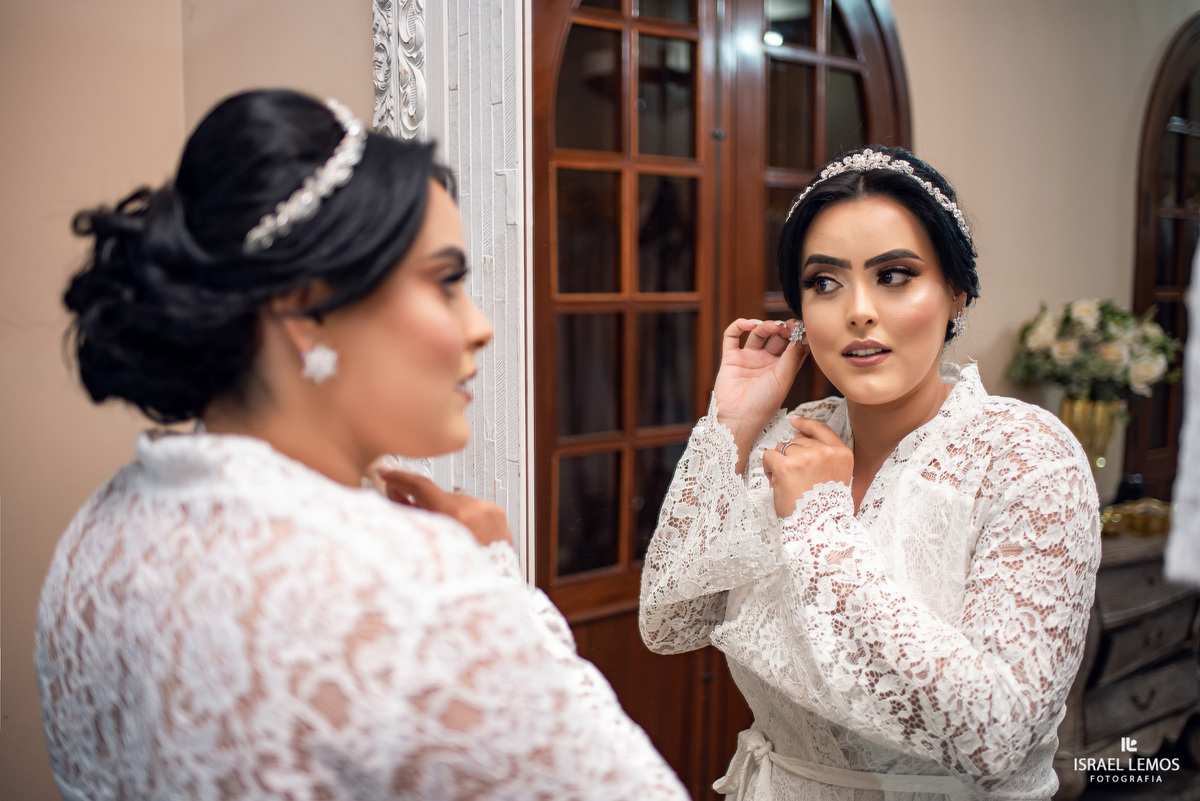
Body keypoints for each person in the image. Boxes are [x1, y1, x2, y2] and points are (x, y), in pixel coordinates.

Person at [36, 89, 688, 801]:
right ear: (303, 307)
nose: (480, 326)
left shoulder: (94, 537)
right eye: (445, 283)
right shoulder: (414, 585)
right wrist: (502, 585)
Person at [639, 146, 1101, 800]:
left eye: (894, 275)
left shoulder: (1026, 456)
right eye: (825, 282)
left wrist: (822, 524)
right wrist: (732, 422)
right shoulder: (787, 439)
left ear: (956, 293)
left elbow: (998, 740)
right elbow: (670, 622)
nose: (857, 309)